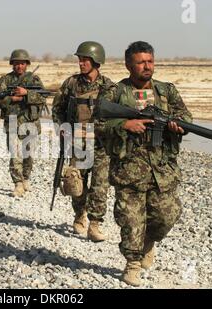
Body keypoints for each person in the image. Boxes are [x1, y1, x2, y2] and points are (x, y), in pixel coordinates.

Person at [98, 41, 193, 286]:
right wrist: (123, 124)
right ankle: (132, 264)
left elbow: (185, 117)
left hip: (162, 169)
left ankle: (148, 241)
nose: (147, 66)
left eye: (150, 61)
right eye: (141, 62)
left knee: (167, 216)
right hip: (128, 169)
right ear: (129, 64)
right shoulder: (115, 92)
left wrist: (178, 124)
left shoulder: (166, 91)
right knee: (130, 220)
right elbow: (97, 123)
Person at [52, 42, 113, 241]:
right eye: (80, 59)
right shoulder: (71, 84)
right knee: (76, 183)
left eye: (85, 59)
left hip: (101, 143)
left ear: (96, 61)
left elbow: (116, 115)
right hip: (77, 141)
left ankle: (95, 225)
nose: (81, 63)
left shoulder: (108, 86)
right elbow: (57, 108)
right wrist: (61, 127)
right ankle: (80, 215)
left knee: (100, 185)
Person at [0, 49, 46, 197]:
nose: (19, 66)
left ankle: (26, 178)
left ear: (27, 64)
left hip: (30, 122)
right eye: (16, 63)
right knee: (15, 155)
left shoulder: (34, 79)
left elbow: (43, 98)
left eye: (22, 63)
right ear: (12, 64)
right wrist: (12, 99)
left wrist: (26, 95)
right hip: (12, 122)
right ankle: (17, 183)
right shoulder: (5, 79)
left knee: (28, 154)